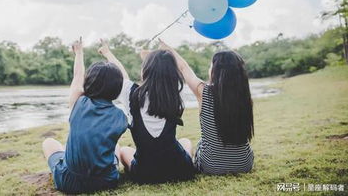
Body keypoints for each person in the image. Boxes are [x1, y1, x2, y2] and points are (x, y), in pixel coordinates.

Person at [99, 40, 196, 184]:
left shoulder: (132, 95)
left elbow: (121, 75)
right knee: (186, 142)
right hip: (180, 170)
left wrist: (107, 53)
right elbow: (181, 67)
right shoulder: (176, 94)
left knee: (125, 150)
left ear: (145, 70)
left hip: (145, 174)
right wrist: (166, 51)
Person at [41, 37, 128, 194]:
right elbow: (124, 80)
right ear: (118, 87)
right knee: (116, 146)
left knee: (49, 142)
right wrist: (108, 54)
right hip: (106, 181)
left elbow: (77, 77)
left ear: (90, 82)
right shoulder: (121, 117)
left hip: (69, 182)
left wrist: (79, 52)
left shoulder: (78, 102)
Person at [159, 39, 254, 175]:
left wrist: (168, 48)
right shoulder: (245, 98)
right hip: (244, 164)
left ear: (217, 71)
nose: (209, 69)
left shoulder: (204, 92)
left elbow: (183, 67)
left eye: (211, 66)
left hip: (211, 166)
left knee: (189, 144)